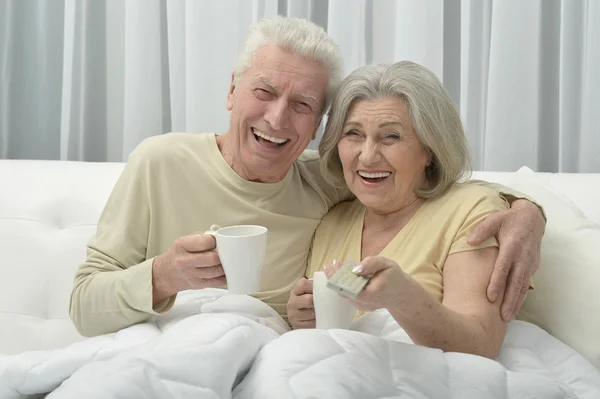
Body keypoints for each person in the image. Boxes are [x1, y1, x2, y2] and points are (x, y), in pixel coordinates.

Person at [69, 16, 545, 337]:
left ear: (320, 125)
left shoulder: (329, 179)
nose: (278, 120)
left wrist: (526, 212)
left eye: (302, 106)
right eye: (264, 91)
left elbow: (429, 184)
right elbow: (83, 306)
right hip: (177, 341)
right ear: (232, 91)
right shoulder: (160, 162)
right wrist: (164, 274)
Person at [286, 60, 538, 358]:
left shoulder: (472, 212)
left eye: (390, 136)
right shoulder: (332, 222)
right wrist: (301, 318)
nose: (367, 156)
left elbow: (480, 345)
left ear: (430, 150)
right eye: (353, 133)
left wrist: (402, 297)